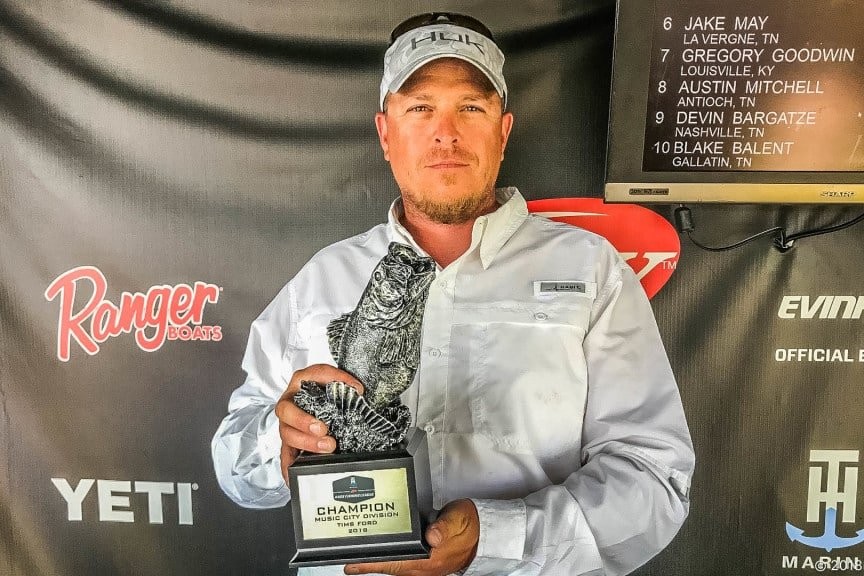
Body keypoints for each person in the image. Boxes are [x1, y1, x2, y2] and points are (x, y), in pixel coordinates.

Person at [212, 12, 695, 576]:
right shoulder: (323, 278)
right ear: (385, 133)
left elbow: (654, 481)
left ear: (503, 132)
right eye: (420, 108)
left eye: (470, 107)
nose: (446, 133)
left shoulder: (591, 271)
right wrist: (278, 436)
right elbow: (234, 468)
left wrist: (497, 536)